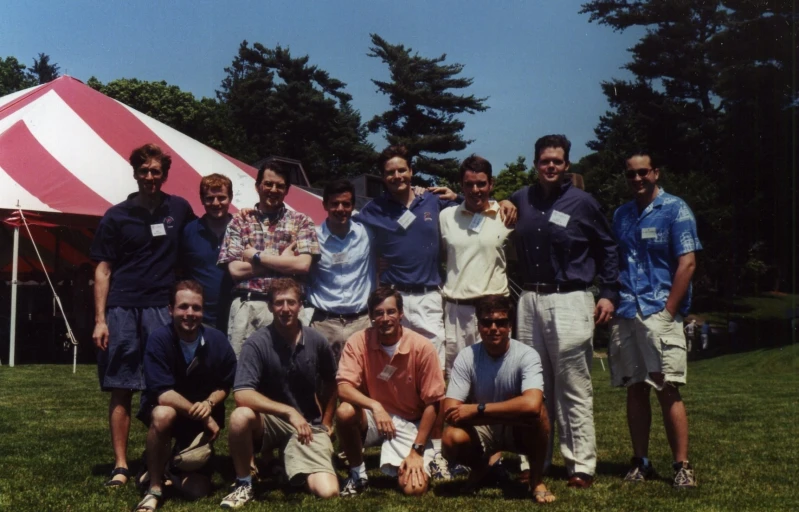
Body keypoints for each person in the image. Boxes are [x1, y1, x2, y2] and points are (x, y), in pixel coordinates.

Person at [509, 134, 618, 488]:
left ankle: (580, 466)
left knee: (572, 386)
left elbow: (608, 247)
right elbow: (489, 209)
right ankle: (533, 461)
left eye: (557, 161)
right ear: (535, 163)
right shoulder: (520, 199)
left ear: (567, 164)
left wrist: (609, 292)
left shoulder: (583, 202)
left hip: (570, 298)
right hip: (528, 300)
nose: (550, 166)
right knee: (532, 386)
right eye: (544, 161)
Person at [90, 143, 195, 487]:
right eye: (144, 171)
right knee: (121, 387)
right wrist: (100, 319)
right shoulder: (116, 215)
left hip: (161, 309)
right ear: (135, 172)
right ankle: (121, 466)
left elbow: (203, 238)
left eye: (156, 171)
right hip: (122, 307)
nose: (150, 177)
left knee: (164, 386)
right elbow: (103, 269)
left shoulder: (178, 209)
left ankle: (162, 461)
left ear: (165, 174)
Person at [609, 151, 702, 488]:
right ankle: (641, 461)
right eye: (631, 174)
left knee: (667, 387)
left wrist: (668, 312)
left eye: (643, 173)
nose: (637, 179)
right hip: (627, 311)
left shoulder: (675, 209)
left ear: (656, 173)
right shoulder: (621, 215)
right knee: (635, 389)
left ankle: (682, 466)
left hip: (659, 311)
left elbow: (687, 264)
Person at [220, 278, 339, 508]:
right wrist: (287, 412)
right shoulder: (256, 343)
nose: (285, 309)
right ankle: (244, 484)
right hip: (271, 422)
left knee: (328, 491)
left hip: (308, 425)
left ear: (300, 305)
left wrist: (326, 420)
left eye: (291, 302)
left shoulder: (316, 340)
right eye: (279, 303)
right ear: (270, 306)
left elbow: (331, 381)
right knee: (239, 416)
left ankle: (285, 462)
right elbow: (242, 394)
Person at [134, 280, 237, 512]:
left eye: (196, 308)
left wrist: (210, 403)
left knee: (198, 491)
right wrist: (203, 416)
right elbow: (162, 394)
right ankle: (155, 487)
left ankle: (164, 466)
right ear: (171, 309)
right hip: (175, 416)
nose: (190, 313)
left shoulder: (217, 340)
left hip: (200, 422)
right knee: (163, 414)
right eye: (183, 307)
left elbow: (225, 384)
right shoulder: (158, 339)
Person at [441, 295, 555, 504]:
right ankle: (482, 467)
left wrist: (478, 409)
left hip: (514, 427)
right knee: (450, 438)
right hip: (487, 428)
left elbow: (532, 404)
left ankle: (536, 480)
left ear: (509, 325)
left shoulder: (527, 355)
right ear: (479, 325)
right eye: (486, 322)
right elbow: (450, 411)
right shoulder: (467, 357)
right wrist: (510, 410)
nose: (493, 328)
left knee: (540, 416)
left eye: (501, 322)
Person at [335, 286, 446, 497]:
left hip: (410, 422)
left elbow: (434, 403)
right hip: (374, 419)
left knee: (414, 489)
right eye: (378, 313)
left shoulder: (422, 347)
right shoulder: (358, 341)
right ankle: (358, 474)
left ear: (401, 313)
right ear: (371, 317)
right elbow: (343, 388)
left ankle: (428, 459)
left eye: (391, 312)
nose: (385, 318)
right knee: (345, 412)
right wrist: (375, 406)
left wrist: (417, 450)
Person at [217, 159, 320, 357]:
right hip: (249, 308)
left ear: (287, 190)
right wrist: (282, 261)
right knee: (245, 374)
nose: (273, 189)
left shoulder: (302, 221)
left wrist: (254, 256)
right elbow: (235, 270)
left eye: (280, 185)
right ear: (258, 186)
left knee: (292, 373)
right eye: (268, 184)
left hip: (288, 309)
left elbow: (303, 265)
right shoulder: (240, 220)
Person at [440, 155, 513, 374]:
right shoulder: (445, 217)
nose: (475, 190)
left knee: (499, 376)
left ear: (491, 183)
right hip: (457, 311)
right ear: (461, 186)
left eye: (481, 183)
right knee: (457, 378)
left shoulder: (506, 216)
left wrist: (507, 201)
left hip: (494, 313)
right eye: (469, 184)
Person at [307, 179, 376, 360]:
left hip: (360, 323)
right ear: (325, 205)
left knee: (361, 382)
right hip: (324, 324)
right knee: (324, 384)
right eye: (334, 203)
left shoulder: (367, 234)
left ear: (353, 206)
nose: (340, 209)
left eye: (346, 204)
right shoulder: (311, 237)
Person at [181, 174, 235, 332]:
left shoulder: (243, 229)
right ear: (202, 199)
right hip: (200, 317)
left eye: (221, 197)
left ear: (230, 198)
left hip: (236, 315)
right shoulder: (189, 231)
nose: (216, 203)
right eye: (210, 198)